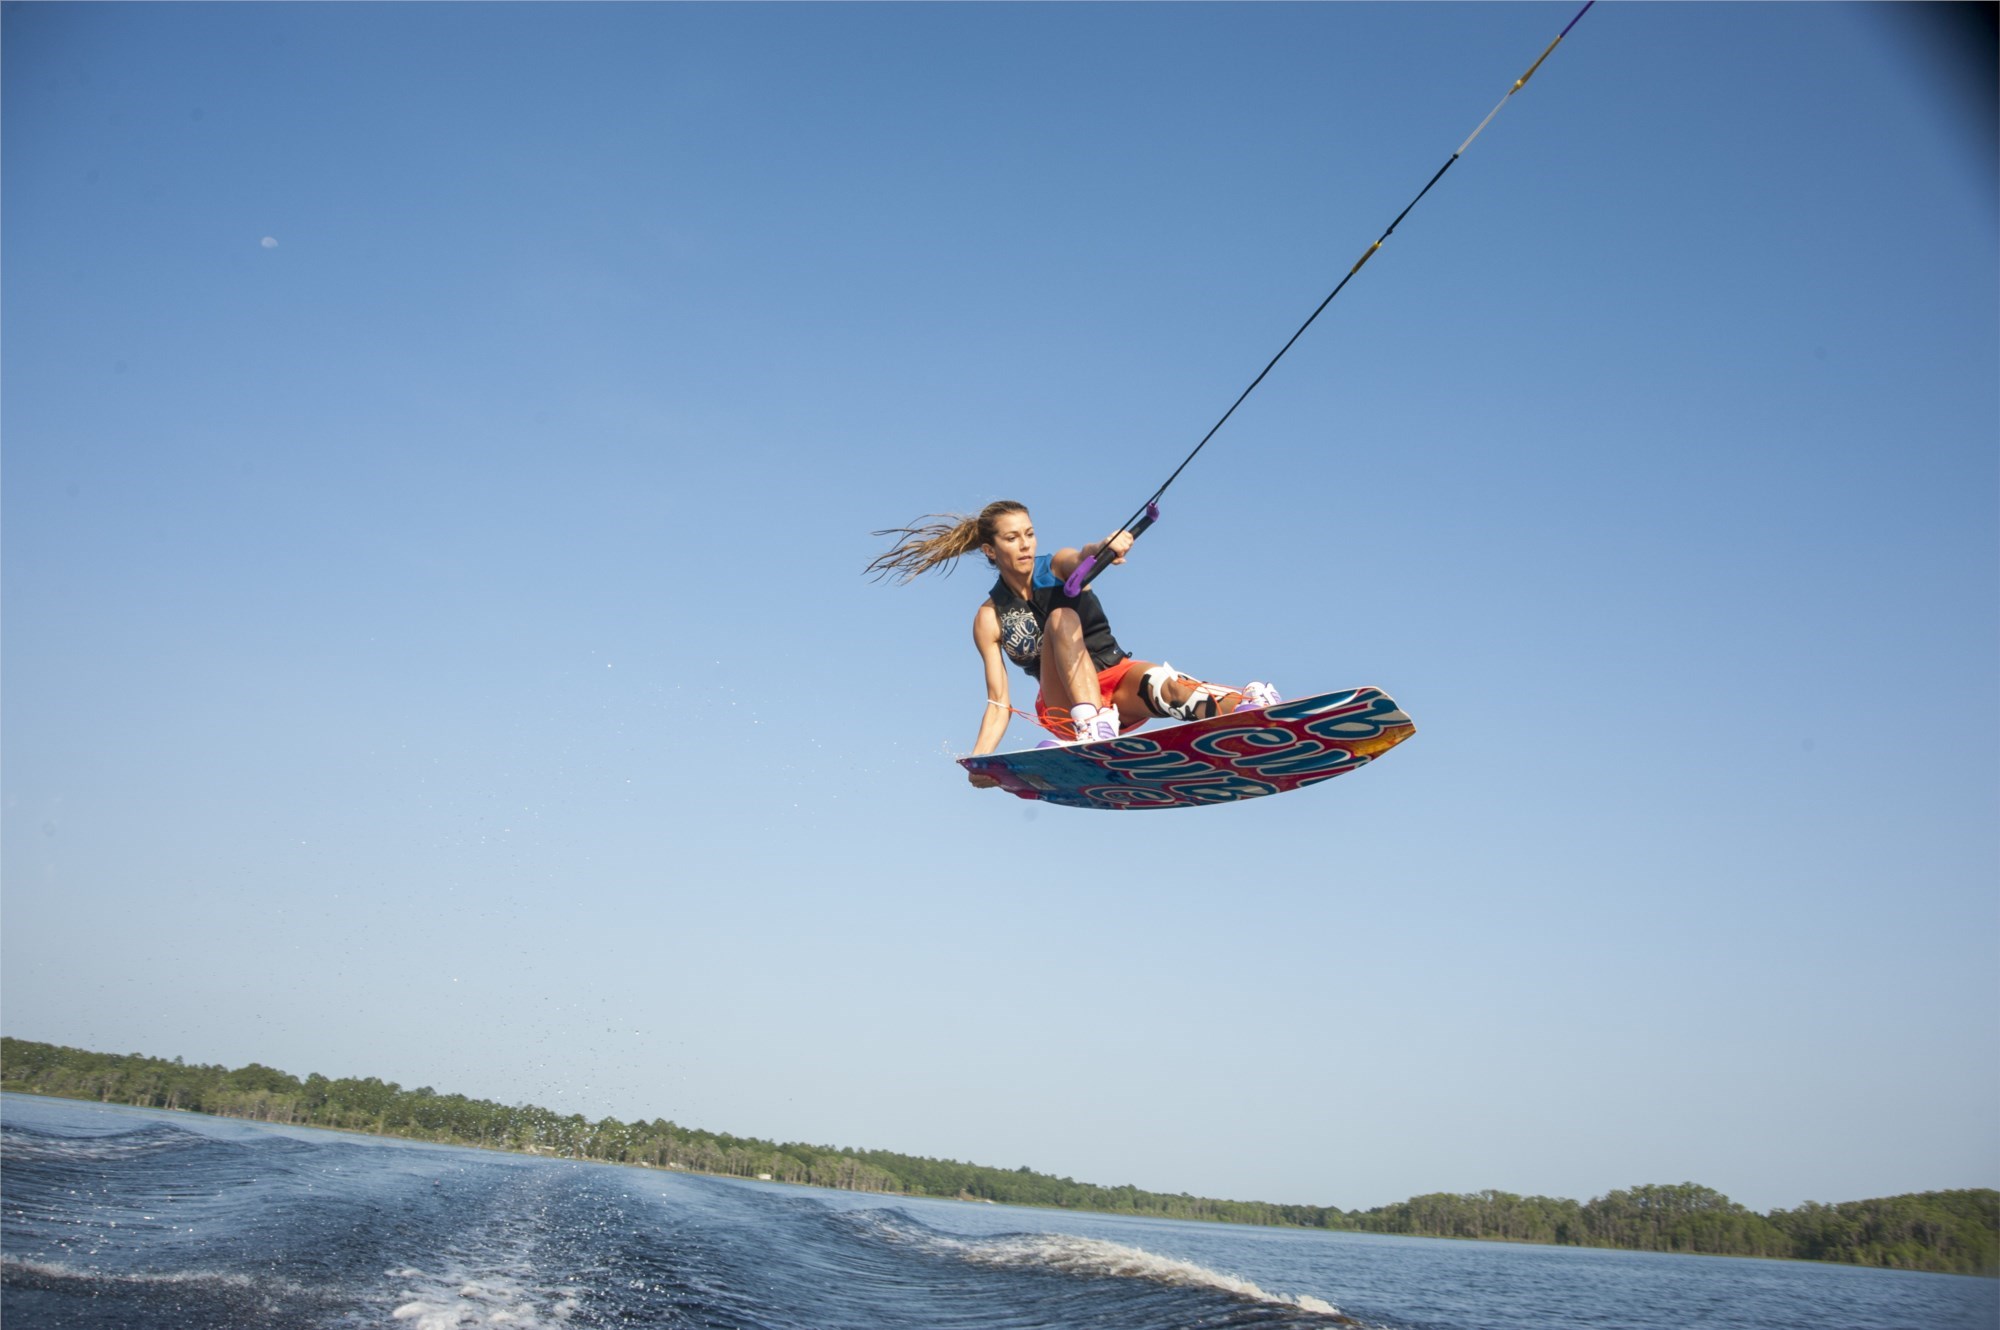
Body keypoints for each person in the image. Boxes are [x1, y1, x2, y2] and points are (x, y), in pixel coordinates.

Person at [867, 500, 1279, 788]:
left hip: (1116, 679)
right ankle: (1090, 726)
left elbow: (1083, 555)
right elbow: (998, 702)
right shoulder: (989, 618)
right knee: (1062, 619)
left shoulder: (1057, 565)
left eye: (1029, 533)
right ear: (991, 550)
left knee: (1168, 688)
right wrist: (981, 760)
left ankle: (1253, 711)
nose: (1026, 544)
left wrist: (1106, 546)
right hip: (1065, 706)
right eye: (1012, 538)